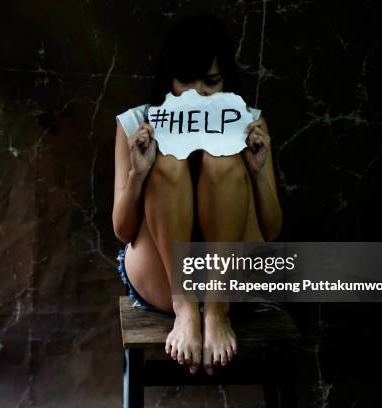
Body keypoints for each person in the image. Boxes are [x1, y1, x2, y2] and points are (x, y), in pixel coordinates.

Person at [112, 13, 282, 375]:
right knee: (167, 164)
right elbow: (123, 232)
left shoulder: (249, 121)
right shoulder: (136, 123)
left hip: (234, 274)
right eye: (185, 81)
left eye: (211, 82)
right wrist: (138, 175)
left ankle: (217, 310)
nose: (198, 94)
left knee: (223, 163)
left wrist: (256, 173)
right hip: (160, 277)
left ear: (226, 81)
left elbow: (271, 230)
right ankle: (186, 310)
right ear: (167, 79)